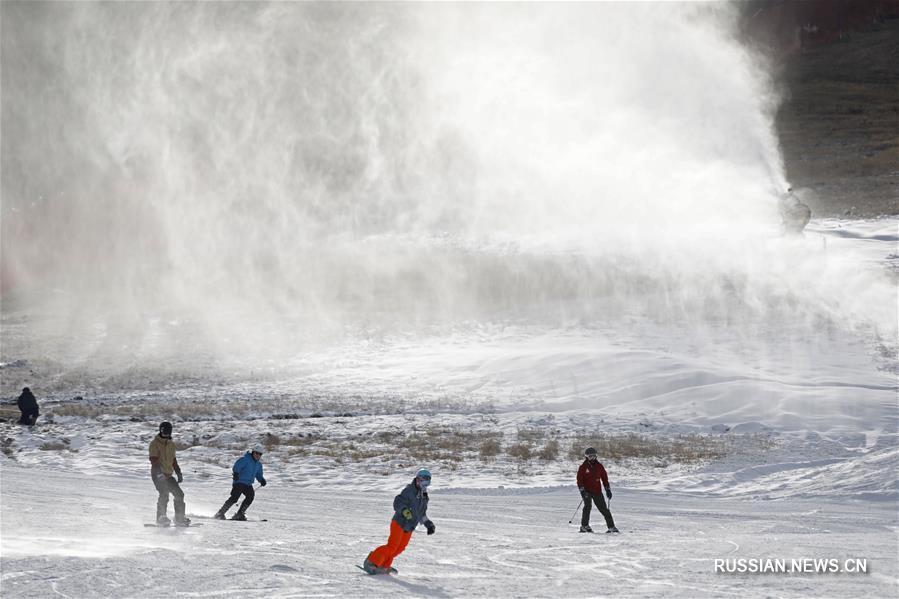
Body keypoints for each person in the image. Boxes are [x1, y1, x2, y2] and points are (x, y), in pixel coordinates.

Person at [362, 469, 436, 575]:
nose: (425, 485)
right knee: (392, 546)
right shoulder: (409, 490)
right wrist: (404, 511)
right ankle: (371, 562)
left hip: (409, 526)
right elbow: (398, 501)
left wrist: (428, 524)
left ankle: (383, 565)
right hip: (400, 522)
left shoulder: (424, 496)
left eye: (427, 483)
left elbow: (422, 514)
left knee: (399, 549)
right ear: (418, 479)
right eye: (423, 481)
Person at [148, 421, 190, 526]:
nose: (166, 434)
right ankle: (161, 518)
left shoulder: (171, 444)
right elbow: (154, 460)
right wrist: (159, 474)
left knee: (179, 494)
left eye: (168, 432)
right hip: (157, 475)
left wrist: (178, 472)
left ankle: (179, 518)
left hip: (168, 475)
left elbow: (173, 460)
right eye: (164, 432)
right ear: (160, 431)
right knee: (164, 494)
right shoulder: (154, 443)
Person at [214, 444, 267, 521]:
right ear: (253, 452)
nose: (258, 455)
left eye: (260, 454)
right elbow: (237, 467)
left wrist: (262, 480)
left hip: (248, 484)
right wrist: (236, 473)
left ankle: (239, 514)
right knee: (235, 497)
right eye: (256, 453)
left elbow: (259, 474)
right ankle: (220, 513)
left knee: (250, 497)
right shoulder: (245, 459)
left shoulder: (258, 465)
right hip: (239, 482)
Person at [577, 447, 619, 533]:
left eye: (594, 456)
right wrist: (582, 491)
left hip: (597, 491)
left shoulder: (599, 466)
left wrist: (607, 489)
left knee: (604, 509)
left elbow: (604, 478)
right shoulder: (583, 467)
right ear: (586, 457)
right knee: (587, 507)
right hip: (587, 492)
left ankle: (611, 527)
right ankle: (584, 526)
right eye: (590, 456)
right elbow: (579, 480)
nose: (592, 458)